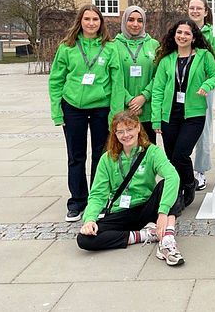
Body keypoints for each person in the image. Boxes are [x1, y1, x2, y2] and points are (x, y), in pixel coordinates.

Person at [76, 111, 184, 266]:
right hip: (122, 211)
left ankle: (167, 239)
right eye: (120, 131)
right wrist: (90, 219)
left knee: (172, 185)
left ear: (138, 128)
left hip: (147, 208)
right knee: (84, 239)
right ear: (114, 134)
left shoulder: (151, 151)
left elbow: (172, 176)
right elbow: (98, 194)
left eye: (130, 129)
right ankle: (144, 235)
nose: (126, 135)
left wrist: (162, 212)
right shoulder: (107, 158)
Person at [48, 4, 124, 222]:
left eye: (95, 19)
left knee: (101, 156)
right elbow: (56, 80)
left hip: (101, 107)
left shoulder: (110, 47)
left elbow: (117, 82)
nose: (91, 23)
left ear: (101, 23)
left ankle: (97, 199)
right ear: (80, 21)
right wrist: (57, 111)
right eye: (87, 19)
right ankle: (77, 201)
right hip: (73, 107)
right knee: (76, 156)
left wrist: (115, 113)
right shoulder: (67, 47)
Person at [151, 19, 215, 212]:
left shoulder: (204, 56)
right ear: (174, 35)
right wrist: (156, 118)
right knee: (171, 157)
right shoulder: (166, 60)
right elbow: (157, 90)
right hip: (169, 115)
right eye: (179, 32)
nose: (182, 36)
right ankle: (178, 192)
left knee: (181, 154)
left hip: (194, 115)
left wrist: (206, 85)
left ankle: (188, 183)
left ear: (194, 37)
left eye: (187, 33)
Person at [113, 6, 160, 143]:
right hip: (122, 110)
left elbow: (159, 76)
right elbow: (114, 77)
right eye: (131, 20)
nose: (135, 24)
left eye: (140, 20)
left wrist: (144, 96)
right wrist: (129, 100)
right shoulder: (113, 45)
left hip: (147, 110)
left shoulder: (154, 45)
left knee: (147, 152)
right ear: (124, 21)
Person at [188, 0, 215, 192]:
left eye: (199, 8)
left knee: (203, 130)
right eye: (192, 8)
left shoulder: (213, 34)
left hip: (203, 88)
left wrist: (207, 83)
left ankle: (199, 171)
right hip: (182, 86)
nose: (195, 11)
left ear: (206, 12)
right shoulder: (183, 29)